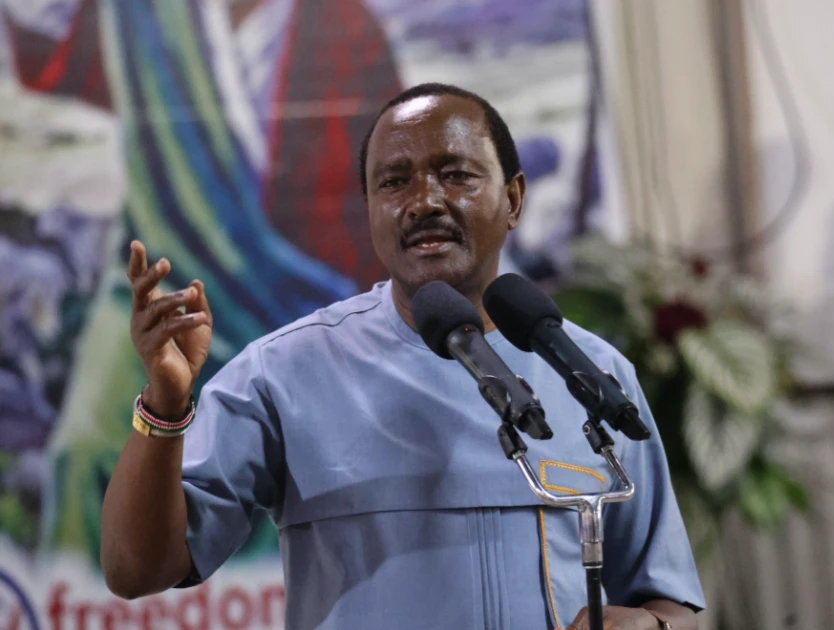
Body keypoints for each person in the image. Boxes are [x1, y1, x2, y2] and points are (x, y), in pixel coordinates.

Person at [100, 83, 704, 629]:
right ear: (370, 210)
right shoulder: (281, 374)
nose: (424, 202)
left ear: (514, 199)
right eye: (394, 183)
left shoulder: (590, 375)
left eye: (456, 174)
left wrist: (651, 627)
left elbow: (670, 602)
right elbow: (135, 571)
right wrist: (165, 405)